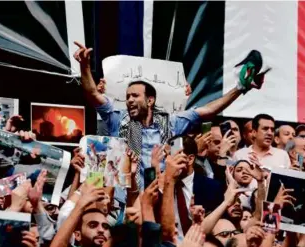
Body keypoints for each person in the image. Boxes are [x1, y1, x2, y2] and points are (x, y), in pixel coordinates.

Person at [74, 41, 266, 188]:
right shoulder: (118, 118)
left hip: (160, 199)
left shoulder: (171, 123)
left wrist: (240, 88)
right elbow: (92, 93)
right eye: (127, 97)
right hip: (122, 202)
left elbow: (208, 111)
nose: (130, 100)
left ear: (150, 100)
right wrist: (84, 66)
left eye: (135, 96)